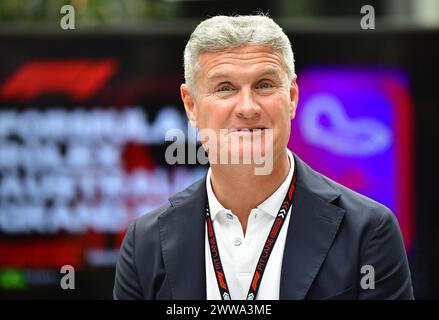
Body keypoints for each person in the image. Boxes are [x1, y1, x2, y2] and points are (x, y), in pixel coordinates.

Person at [113, 14, 414, 300]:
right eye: (225, 88)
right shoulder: (146, 243)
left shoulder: (368, 232)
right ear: (191, 106)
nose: (247, 107)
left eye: (264, 85)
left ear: (292, 97)